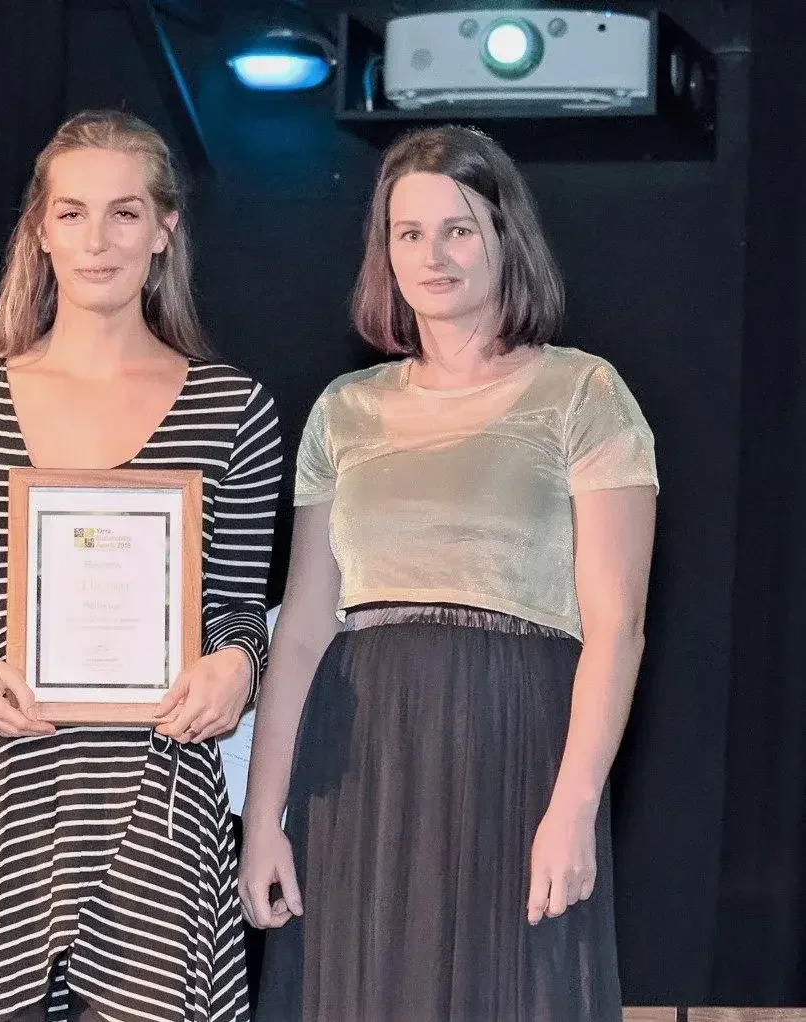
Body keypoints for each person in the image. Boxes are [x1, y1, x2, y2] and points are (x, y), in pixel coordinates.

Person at [241, 125, 658, 1021]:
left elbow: (617, 626)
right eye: (409, 232)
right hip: (356, 759)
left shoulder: (583, 394)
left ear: (508, 239)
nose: (433, 254)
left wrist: (575, 803)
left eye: (459, 229)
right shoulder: (345, 410)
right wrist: (263, 819)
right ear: (383, 252)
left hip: (516, 741)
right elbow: (305, 627)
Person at [0, 110, 281, 1022]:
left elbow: (238, 612)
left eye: (125, 213)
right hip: (3, 784)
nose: (97, 240)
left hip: (160, 789)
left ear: (165, 229)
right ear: (40, 230)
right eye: (72, 214)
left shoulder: (235, 408)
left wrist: (237, 667)